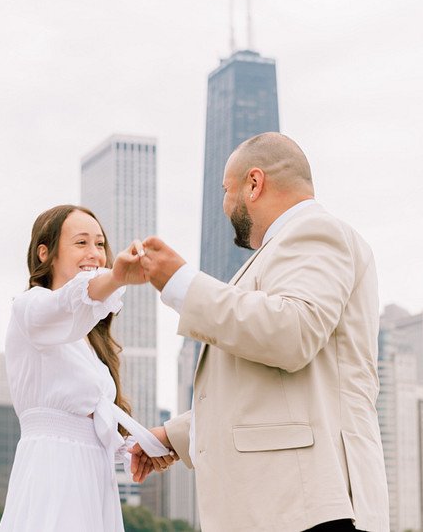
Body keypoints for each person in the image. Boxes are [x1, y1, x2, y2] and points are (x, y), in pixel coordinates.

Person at [133, 133, 389, 532]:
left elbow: (292, 333)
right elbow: (267, 383)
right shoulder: (279, 252)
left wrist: (181, 284)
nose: (224, 205)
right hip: (288, 506)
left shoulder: (315, 231)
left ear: (255, 183)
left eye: (226, 190)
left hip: (307, 508)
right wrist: (175, 435)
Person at [0, 204, 176, 532]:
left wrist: (139, 446)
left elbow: (94, 423)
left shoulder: (88, 339)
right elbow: (63, 303)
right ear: (44, 254)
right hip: (54, 471)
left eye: (99, 244)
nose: (94, 253)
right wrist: (117, 277)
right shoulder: (30, 308)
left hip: (94, 475)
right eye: (81, 243)